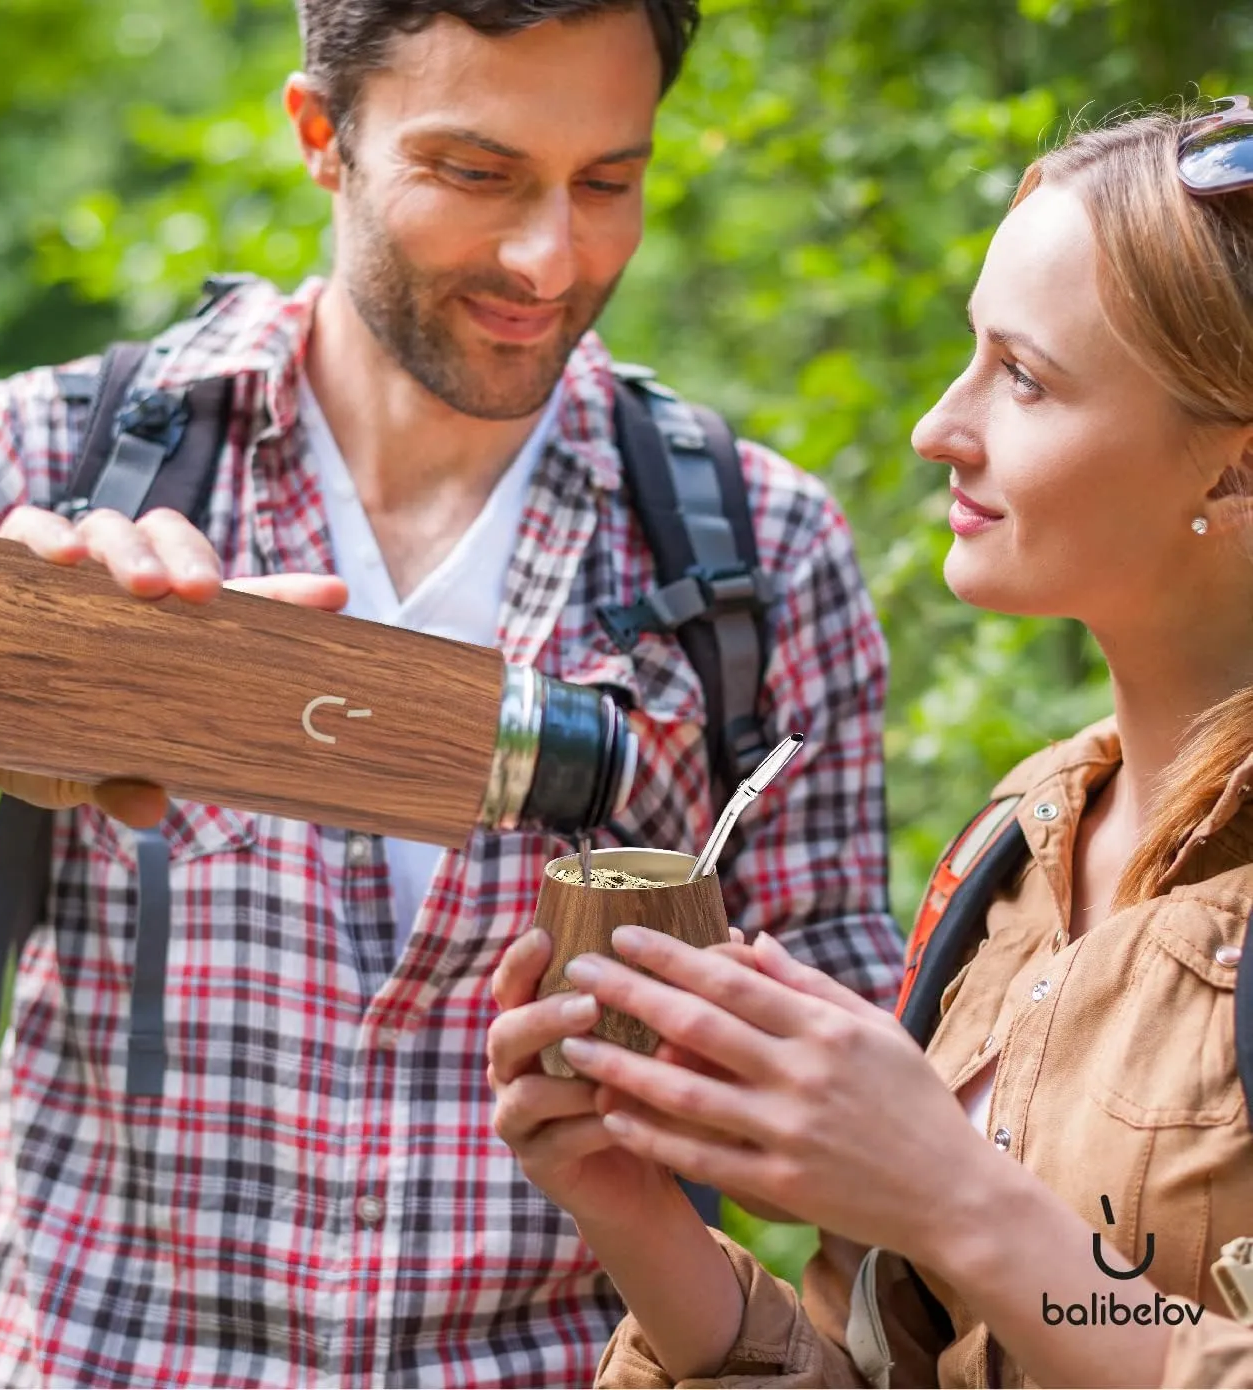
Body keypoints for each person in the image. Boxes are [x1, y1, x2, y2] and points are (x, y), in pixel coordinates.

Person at [0, 1, 905, 1384]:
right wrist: (2, 694)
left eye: (608, 181)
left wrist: (696, 1057)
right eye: (476, 174)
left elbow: (850, 1161)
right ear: (320, 134)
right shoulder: (62, 451)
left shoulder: (754, 554)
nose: (551, 257)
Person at [488, 101, 1253, 1388]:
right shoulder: (1009, 857)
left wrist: (955, 1196)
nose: (938, 428)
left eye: (1025, 377)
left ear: (1233, 473)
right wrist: (636, 1214)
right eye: (972, 354)